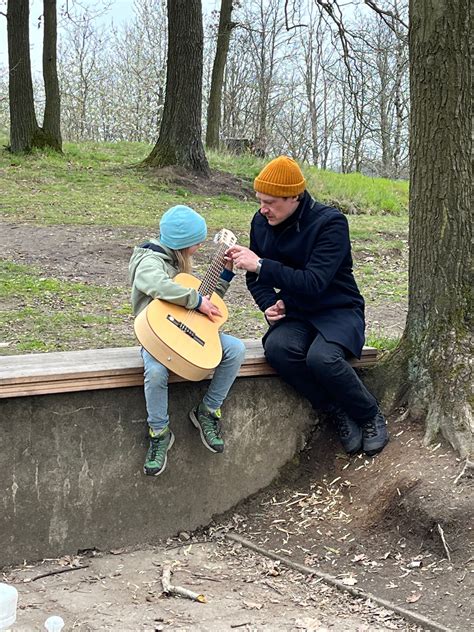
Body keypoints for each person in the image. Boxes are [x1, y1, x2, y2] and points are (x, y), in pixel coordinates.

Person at [227, 156, 389, 457]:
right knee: (278, 350)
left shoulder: (330, 223)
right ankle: (335, 410)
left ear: (295, 197)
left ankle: (369, 415)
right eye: (260, 200)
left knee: (323, 359)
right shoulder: (260, 222)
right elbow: (257, 279)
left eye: (271, 202)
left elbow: (314, 281)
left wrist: (261, 263)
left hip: (338, 308)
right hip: (295, 310)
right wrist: (268, 305)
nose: (263, 209)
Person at [129, 205, 246, 476]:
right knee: (156, 372)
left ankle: (207, 410)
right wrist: (195, 301)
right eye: (197, 241)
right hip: (157, 337)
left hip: (185, 331)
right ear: (182, 243)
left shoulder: (179, 265)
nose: (201, 245)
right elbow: (156, 284)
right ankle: (159, 432)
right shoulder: (150, 259)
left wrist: (225, 274)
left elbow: (207, 301)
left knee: (236, 349)